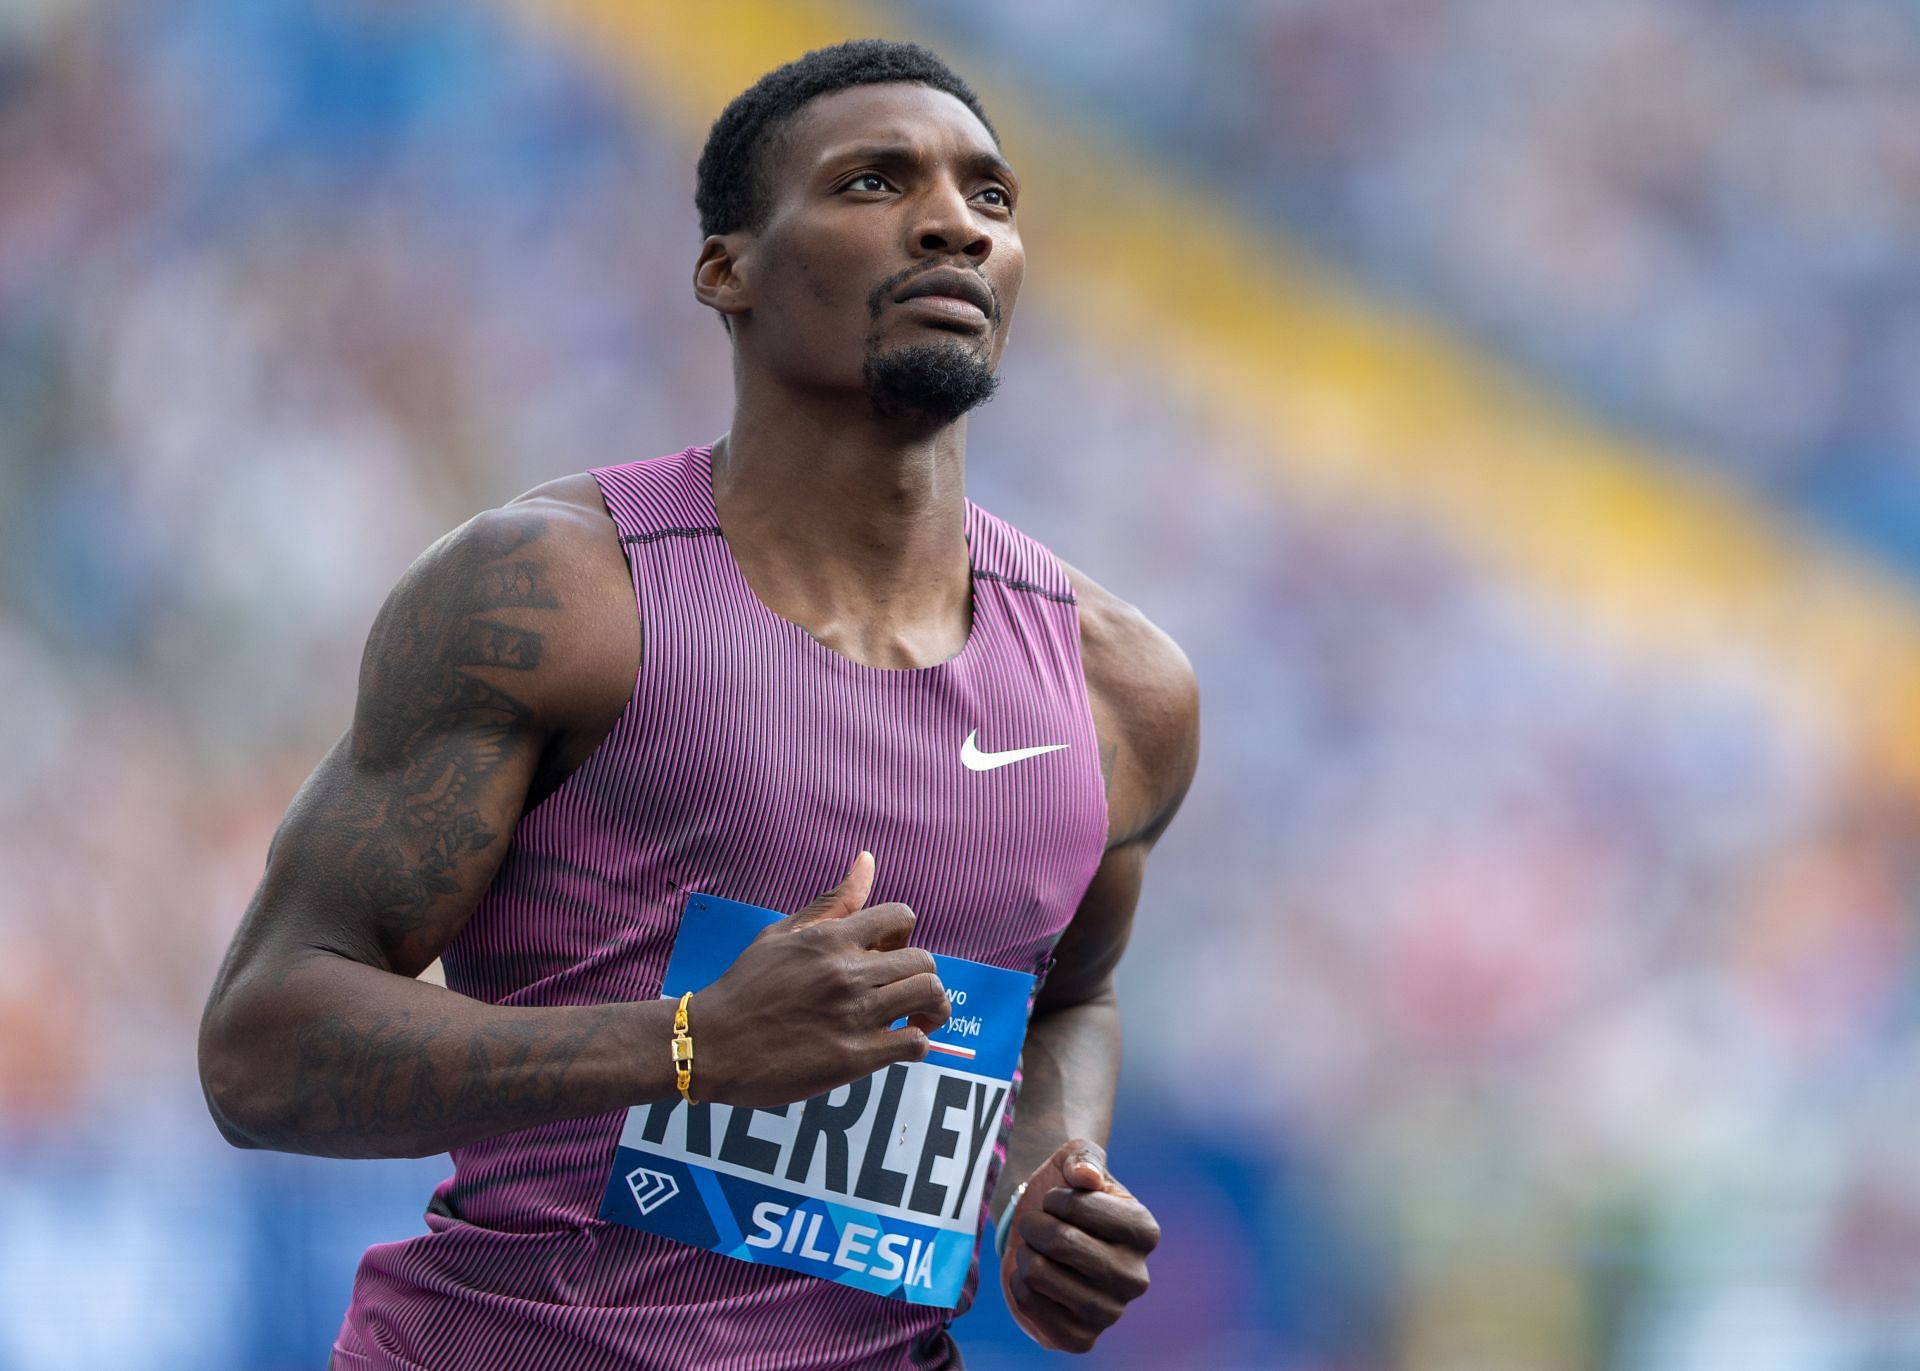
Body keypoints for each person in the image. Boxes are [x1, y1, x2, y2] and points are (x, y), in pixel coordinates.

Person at [199, 38, 1198, 1370]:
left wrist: (1043, 1180)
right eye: (872, 183)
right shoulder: (553, 599)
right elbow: (262, 1048)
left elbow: (1070, 990)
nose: (955, 221)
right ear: (727, 267)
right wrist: (685, 1045)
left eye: (993, 199)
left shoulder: (1118, 691)